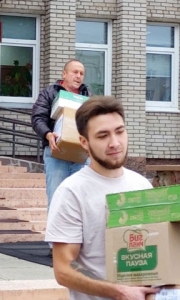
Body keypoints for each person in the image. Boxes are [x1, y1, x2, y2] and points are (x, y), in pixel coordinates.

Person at [45, 96, 159, 300]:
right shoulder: (72, 192)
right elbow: (63, 268)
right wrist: (119, 292)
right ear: (84, 142)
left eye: (120, 131)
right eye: (102, 135)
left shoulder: (142, 185)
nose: (114, 143)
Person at [31, 59, 91, 256]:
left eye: (81, 73)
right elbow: (37, 118)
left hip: (81, 156)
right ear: (64, 74)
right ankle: (56, 247)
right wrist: (48, 134)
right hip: (56, 153)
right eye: (74, 72)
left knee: (82, 200)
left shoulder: (87, 97)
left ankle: (78, 245)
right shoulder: (49, 93)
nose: (78, 76)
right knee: (57, 198)